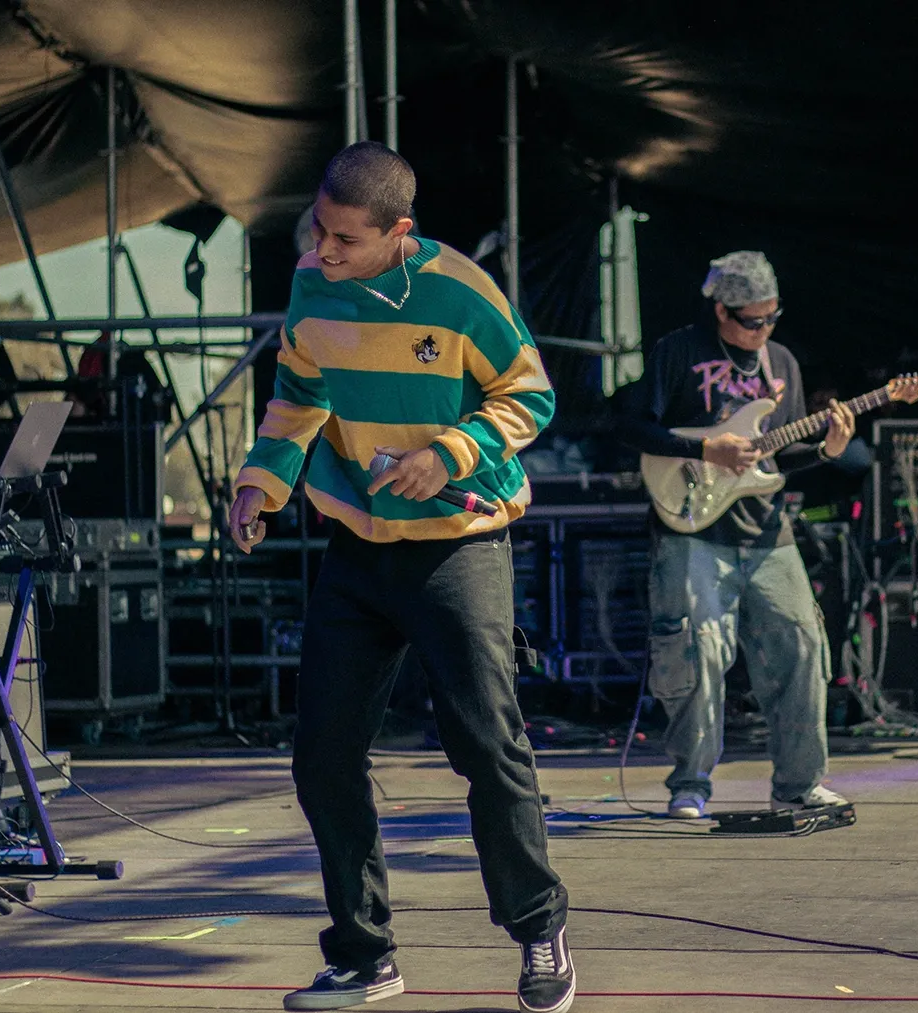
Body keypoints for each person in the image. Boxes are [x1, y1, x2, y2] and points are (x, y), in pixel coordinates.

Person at [227, 142, 573, 1013]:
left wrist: (447, 452)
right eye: (319, 231)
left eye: (345, 239)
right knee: (322, 756)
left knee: (485, 744)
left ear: (398, 233)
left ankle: (539, 930)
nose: (324, 252)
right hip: (356, 548)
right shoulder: (312, 283)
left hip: (456, 541)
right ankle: (364, 953)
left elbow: (531, 395)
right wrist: (258, 484)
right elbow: (297, 394)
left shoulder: (461, 291)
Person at [616, 250, 854, 819]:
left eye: (772, 318)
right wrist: (704, 448)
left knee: (802, 646)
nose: (764, 330)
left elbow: (777, 456)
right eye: (753, 320)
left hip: (769, 533)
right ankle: (690, 786)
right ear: (720, 311)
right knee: (698, 653)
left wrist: (826, 451)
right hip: (692, 528)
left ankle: (799, 784)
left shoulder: (782, 363)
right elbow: (630, 425)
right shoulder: (678, 352)